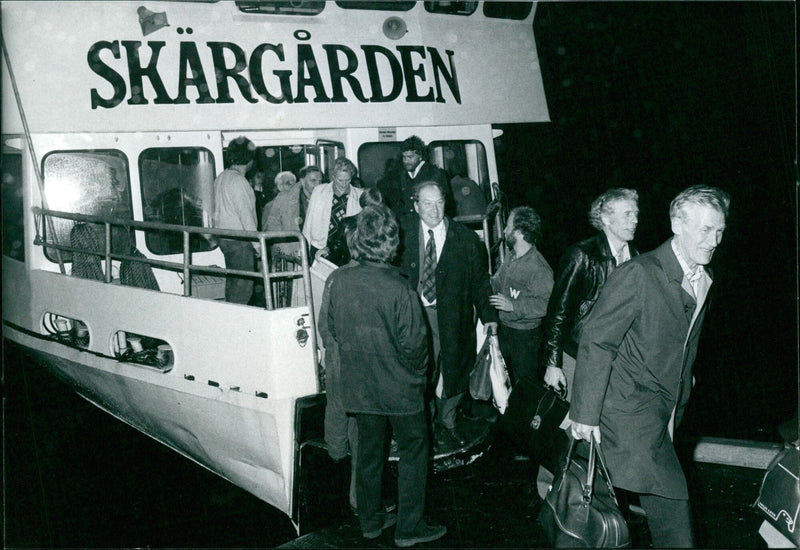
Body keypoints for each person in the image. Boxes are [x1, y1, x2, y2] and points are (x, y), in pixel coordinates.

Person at [569, 185, 730, 548]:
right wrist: (586, 415)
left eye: (719, 231)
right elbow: (596, 339)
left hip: (661, 410)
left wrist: (682, 391)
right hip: (624, 411)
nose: (714, 240)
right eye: (706, 230)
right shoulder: (640, 273)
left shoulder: (703, 278)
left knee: (601, 503)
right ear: (677, 224)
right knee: (670, 500)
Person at [324, 205, 447, 547]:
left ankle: (370, 523)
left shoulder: (340, 280)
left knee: (368, 453)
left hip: (360, 388)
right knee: (414, 452)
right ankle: (409, 528)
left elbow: (334, 329)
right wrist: (420, 382)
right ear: (392, 244)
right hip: (400, 390)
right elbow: (416, 347)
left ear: (359, 241)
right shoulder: (400, 288)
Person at [399, 181, 497, 451]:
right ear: (416, 205)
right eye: (427, 203)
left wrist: (489, 315)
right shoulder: (402, 234)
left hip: (453, 317)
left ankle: (449, 421)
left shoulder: (465, 239)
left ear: (446, 203)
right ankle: (424, 425)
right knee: (419, 374)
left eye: (439, 202)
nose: (434, 209)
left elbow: (480, 281)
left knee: (455, 370)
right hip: (414, 318)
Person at [542, 188, 640, 399]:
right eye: (627, 214)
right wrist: (553, 364)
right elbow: (558, 312)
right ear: (605, 218)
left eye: (636, 214)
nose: (635, 220)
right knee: (573, 424)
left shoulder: (637, 259)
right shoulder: (582, 255)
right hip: (578, 356)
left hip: (617, 360)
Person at [489, 206, 554, 385]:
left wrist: (513, 306)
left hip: (526, 340)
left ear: (517, 232)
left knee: (525, 389)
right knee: (505, 383)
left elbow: (546, 305)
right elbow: (496, 283)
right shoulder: (511, 257)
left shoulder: (539, 268)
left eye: (508, 226)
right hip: (506, 331)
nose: (504, 230)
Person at [213, 135, 259, 304]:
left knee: (233, 285)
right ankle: (238, 325)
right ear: (249, 160)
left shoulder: (221, 177)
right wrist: (258, 245)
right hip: (239, 242)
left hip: (225, 239)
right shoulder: (239, 182)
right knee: (243, 289)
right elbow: (246, 217)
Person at [302, 157, 364, 266]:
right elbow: (308, 222)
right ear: (333, 177)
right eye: (340, 180)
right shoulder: (319, 191)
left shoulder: (359, 195)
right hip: (319, 246)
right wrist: (304, 250)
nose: (344, 184)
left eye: (348, 180)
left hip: (345, 250)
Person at [386, 136, 454, 219]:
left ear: (420, 156)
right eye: (404, 157)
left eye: (410, 157)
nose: (406, 161)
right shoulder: (401, 174)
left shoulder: (435, 174)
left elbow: (447, 205)